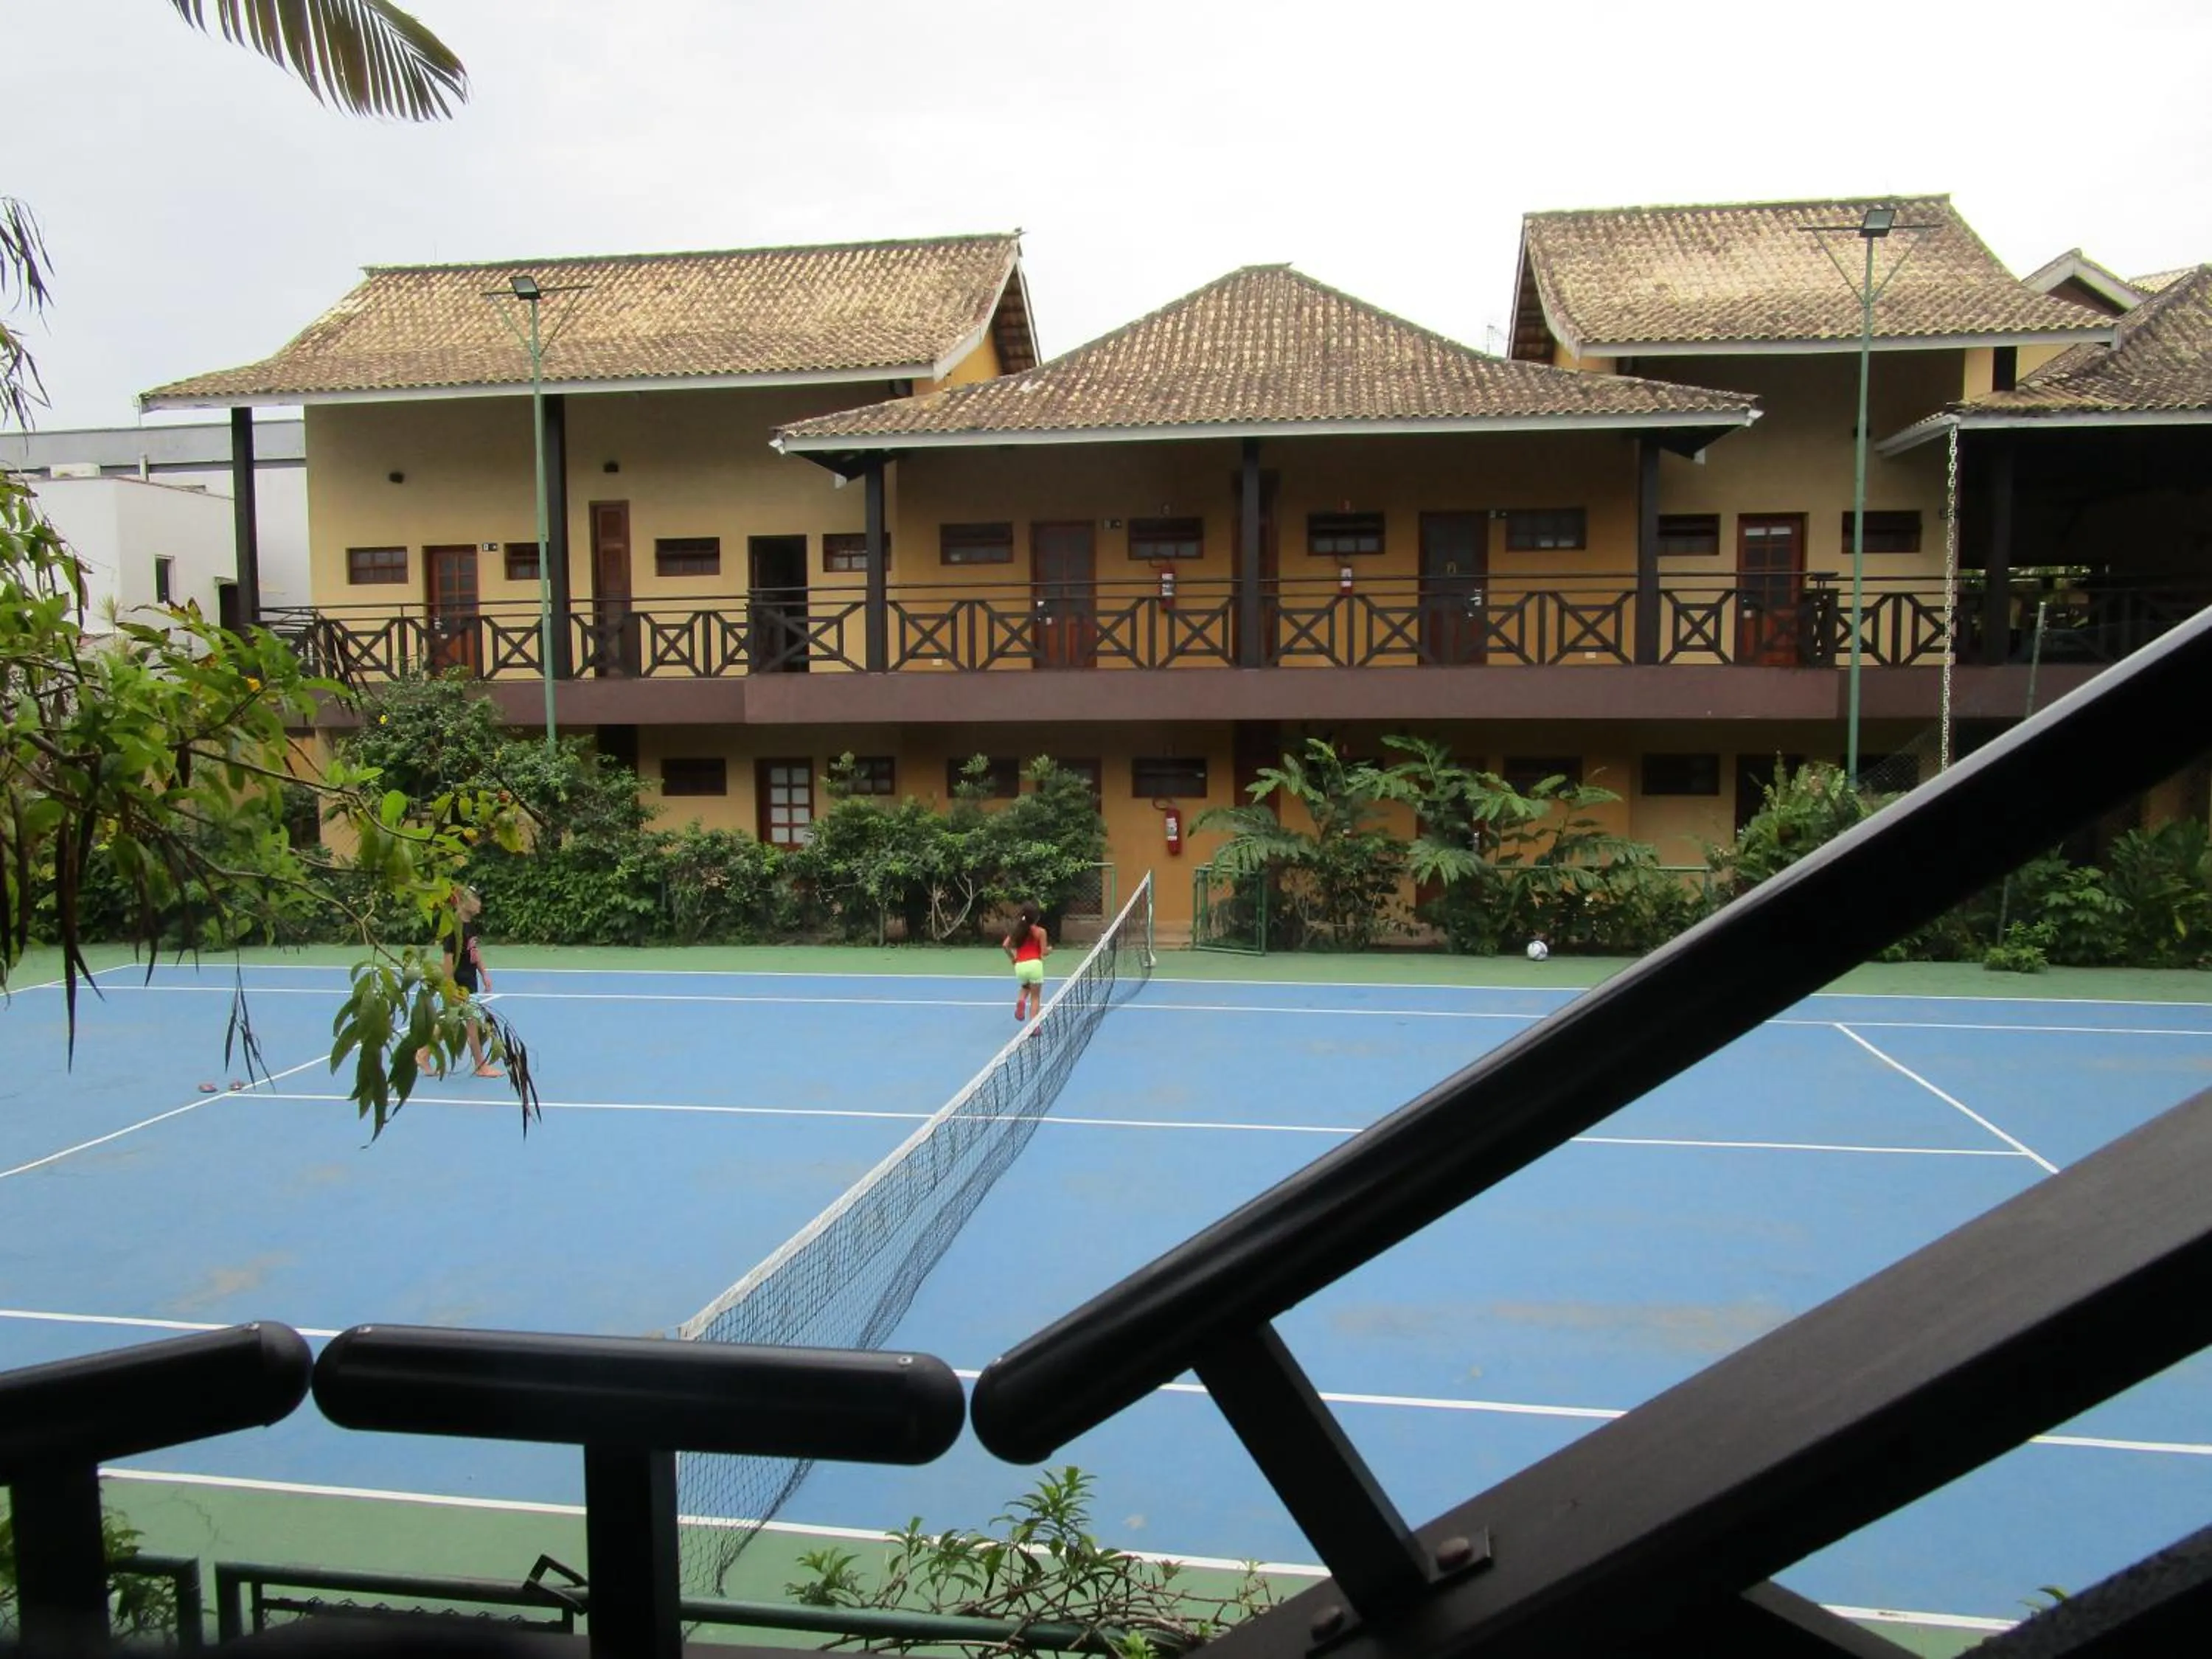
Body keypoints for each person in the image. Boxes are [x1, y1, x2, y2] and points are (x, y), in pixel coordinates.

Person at [418, 887, 501, 1078]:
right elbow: (448, 958)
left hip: (469, 981)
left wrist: (484, 973)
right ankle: (481, 1065)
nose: (479, 904)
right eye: (475, 899)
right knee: (471, 1023)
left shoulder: (470, 926)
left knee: (449, 1022)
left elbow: (474, 951)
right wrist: (450, 987)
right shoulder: (453, 928)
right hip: (458, 984)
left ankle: (422, 1054)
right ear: (463, 902)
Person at [1002, 900, 1051, 1021]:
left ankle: (1021, 1000)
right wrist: (1050, 949)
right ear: (1037, 917)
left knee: (1025, 987)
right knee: (1035, 997)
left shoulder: (1017, 930)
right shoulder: (1041, 932)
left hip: (1020, 966)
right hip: (1035, 966)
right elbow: (1044, 952)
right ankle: (1034, 1026)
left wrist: (1013, 959)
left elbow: (1005, 945)